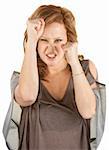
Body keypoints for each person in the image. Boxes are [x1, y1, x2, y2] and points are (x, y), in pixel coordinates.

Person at [13, 4, 98, 150]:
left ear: (69, 41)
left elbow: (88, 111)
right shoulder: (27, 76)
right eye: (44, 40)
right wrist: (31, 43)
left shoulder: (85, 70)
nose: (51, 49)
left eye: (58, 40)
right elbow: (27, 97)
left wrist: (75, 64)